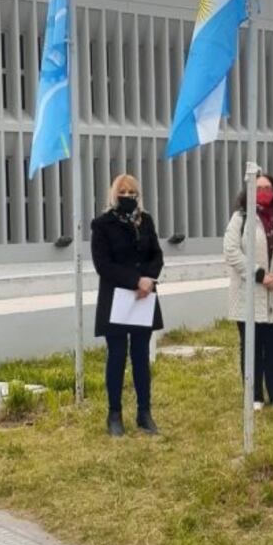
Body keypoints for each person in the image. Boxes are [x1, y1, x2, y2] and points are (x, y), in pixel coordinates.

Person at [223, 174, 273, 411]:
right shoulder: (240, 218)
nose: (263, 191)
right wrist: (258, 275)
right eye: (258, 188)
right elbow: (231, 251)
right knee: (251, 345)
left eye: (268, 188)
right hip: (249, 294)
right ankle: (254, 395)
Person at [91, 174, 164, 437]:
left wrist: (148, 279)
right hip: (117, 300)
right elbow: (103, 264)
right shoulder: (102, 225)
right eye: (122, 191)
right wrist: (135, 280)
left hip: (143, 299)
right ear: (114, 194)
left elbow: (156, 254)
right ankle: (114, 414)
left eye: (132, 192)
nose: (127, 196)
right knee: (117, 355)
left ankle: (144, 413)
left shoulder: (146, 221)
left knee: (141, 356)